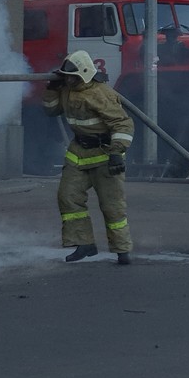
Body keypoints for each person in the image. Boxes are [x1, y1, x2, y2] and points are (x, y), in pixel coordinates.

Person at [43, 49, 135, 264]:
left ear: (84, 74)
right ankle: (84, 244)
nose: (68, 79)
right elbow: (51, 111)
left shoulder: (101, 94)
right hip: (78, 152)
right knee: (68, 197)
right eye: (66, 76)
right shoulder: (66, 89)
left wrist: (116, 153)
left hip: (105, 154)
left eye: (72, 76)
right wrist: (51, 89)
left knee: (112, 206)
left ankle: (122, 251)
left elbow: (123, 124)